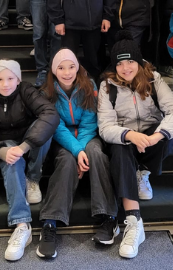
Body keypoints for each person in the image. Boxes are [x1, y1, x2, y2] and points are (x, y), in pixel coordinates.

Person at [98, 32, 173, 259]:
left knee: (167, 135)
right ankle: (134, 221)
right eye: (120, 63)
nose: (125, 68)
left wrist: (155, 136)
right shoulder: (107, 86)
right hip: (126, 140)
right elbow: (105, 127)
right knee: (118, 147)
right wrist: (129, 135)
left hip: (150, 139)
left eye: (130, 62)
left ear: (138, 61)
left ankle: (143, 173)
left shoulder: (154, 80)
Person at [36, 49, 119, 258]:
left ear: (77, 67)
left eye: (71, 67)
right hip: (61, 138)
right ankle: (50, 223)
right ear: (54, 71)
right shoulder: (46, 92)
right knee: (65, 160)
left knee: (96, 153)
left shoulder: (89, 85)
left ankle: (108, 218)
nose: (67, 72)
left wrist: (81, 150)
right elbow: (56, 126)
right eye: (61, 68)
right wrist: (76, 151)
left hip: (87, 135)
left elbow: (90, 122)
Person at [0, 60, 60, 261]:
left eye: (10, 78)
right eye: (0, 79)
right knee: (11, 160)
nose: (5, 84)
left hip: (29, 142)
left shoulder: (27, 91)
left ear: (18, 80)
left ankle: (32, 178)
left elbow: (50, 114)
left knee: (45, 131)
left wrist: (24, 146)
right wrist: (1, 152)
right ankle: (22, 225)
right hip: (6, 144)